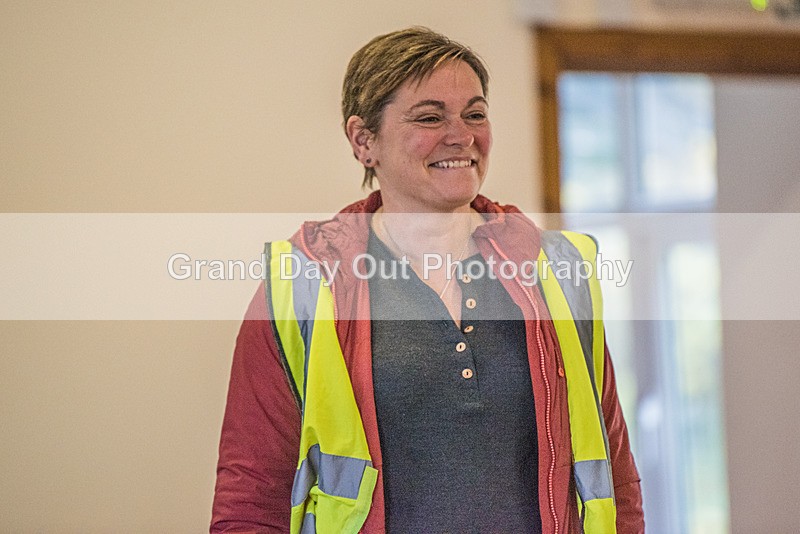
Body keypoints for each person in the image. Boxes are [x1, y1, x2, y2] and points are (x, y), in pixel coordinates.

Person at [211, 27, 643, 533]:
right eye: (430, 117)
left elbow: (616, 474)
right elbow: (251, 494)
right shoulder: (304, 283)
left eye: (475, 114)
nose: (461, 135)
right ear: (363, 140)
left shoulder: (555, 270)